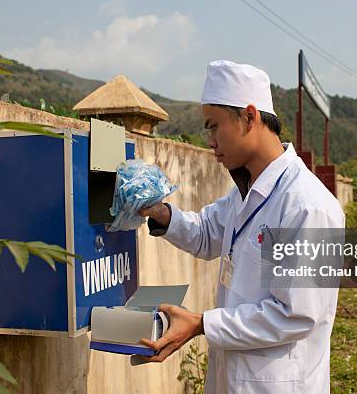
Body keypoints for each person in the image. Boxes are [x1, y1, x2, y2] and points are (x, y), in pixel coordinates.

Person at [138, 60, 345, 393]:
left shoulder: (308, 206)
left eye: (214, 125)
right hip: (235, 378)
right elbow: (206, 233)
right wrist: (160, 212)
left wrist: (201, 323)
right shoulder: (245, 193)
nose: (210, 140)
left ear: (249, 117)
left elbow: (297, 314)